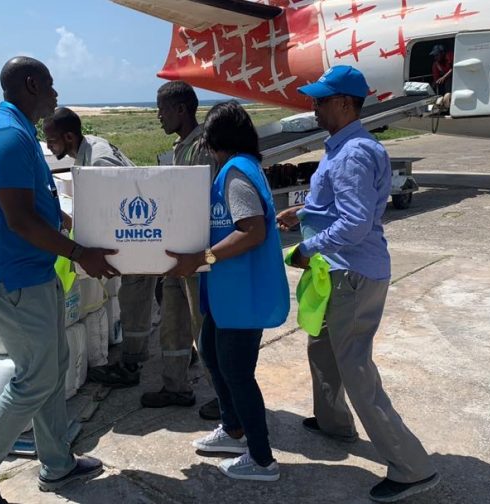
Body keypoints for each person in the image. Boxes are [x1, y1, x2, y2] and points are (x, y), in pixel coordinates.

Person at [0, 57, 116, 504]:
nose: (56, 95)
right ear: (29, 84)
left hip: (31, 275)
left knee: (52, 367)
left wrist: (58, 216)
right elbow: (19, 220)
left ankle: (57, 464)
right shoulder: (7, 136)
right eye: (50, 85)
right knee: (36, 378)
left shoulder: (17, 131)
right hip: (12, 280)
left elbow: (33, 203)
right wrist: (81, 254)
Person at [277, 66, 440, 502]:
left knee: (356, 369)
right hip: (341, 272)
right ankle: (333, 423)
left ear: (345, 104)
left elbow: (353, 223)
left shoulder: (352, 153)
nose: (314, 107)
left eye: (321, 100)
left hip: (351, 272)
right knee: (321, 346)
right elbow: (337, 207)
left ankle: (411, 468)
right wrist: (303, 215)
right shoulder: (344, 147)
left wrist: (308, 248)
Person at [167, 100, 289, 481]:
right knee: (211, 352)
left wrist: (202, 257)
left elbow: (252, 230)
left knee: (237, 372)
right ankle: (233, 429)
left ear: (214, 138)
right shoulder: (239, 168)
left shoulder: (236, 173)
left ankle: (262, 458)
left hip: (242, 293)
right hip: (227, 293)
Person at [120, 80, 220, 420]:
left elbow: (200, 203)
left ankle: (223, 395)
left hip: (195, 253)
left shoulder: (203, 147)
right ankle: (176, 386)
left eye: (162, 110)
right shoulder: (183, 146)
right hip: (176, 252)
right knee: (173, 322)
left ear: (180, 109)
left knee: (201, 324)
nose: (158, 117)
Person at [43, 106, 139, 388]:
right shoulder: (91, 147)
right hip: (132, 236)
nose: (49, 146)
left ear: (69, 137)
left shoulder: (98, 163)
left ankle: (131, 368)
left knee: (134, 302)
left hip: (136, 238)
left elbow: (119, 209)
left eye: (52, 140)